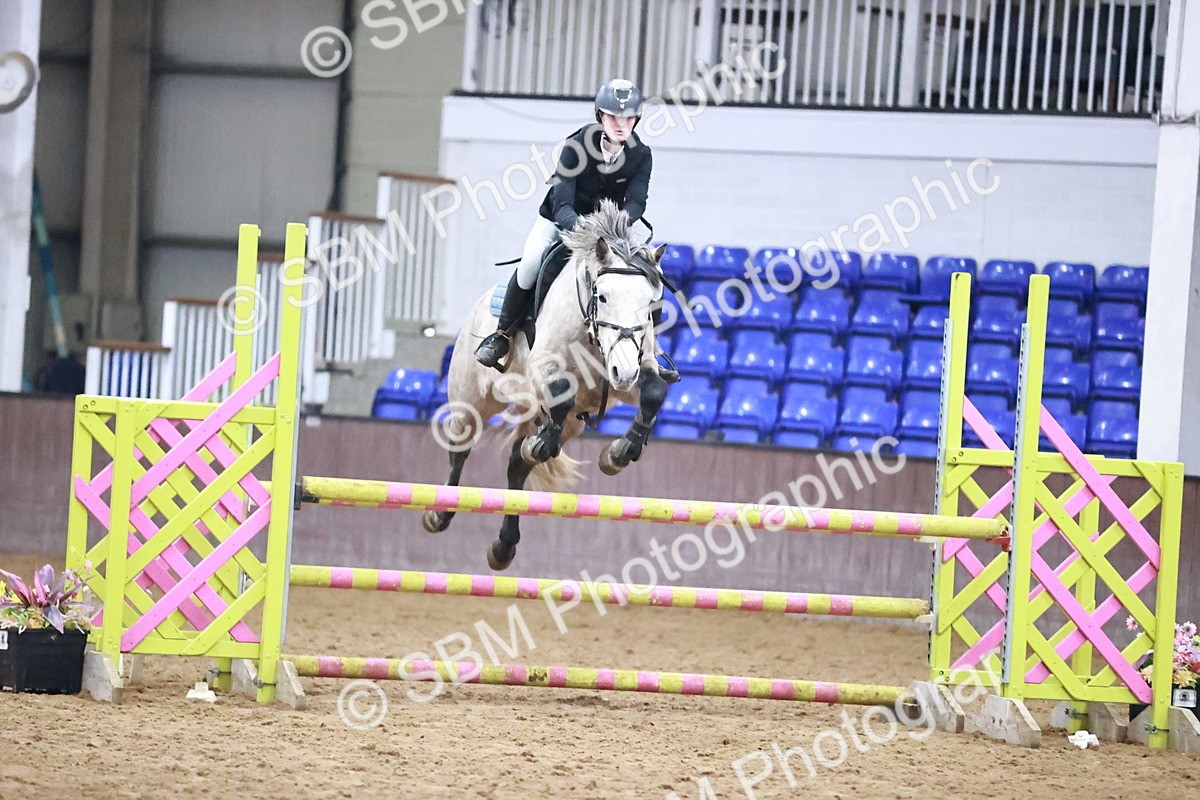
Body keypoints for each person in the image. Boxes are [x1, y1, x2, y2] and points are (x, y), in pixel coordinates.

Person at [474, 78, 653, 372]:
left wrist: (617, 226)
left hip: (608, 232)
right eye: (613, 117)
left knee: (644, 276)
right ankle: (502, 335)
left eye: (628, 118)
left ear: (636, 119)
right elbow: (562, 203)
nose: (621, 125)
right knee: (531, 262)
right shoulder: (576, 146)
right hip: (562, 221)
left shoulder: (642, 155)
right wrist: (582, 230)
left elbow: (636, 201)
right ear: (601, 116)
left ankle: (648, 356)